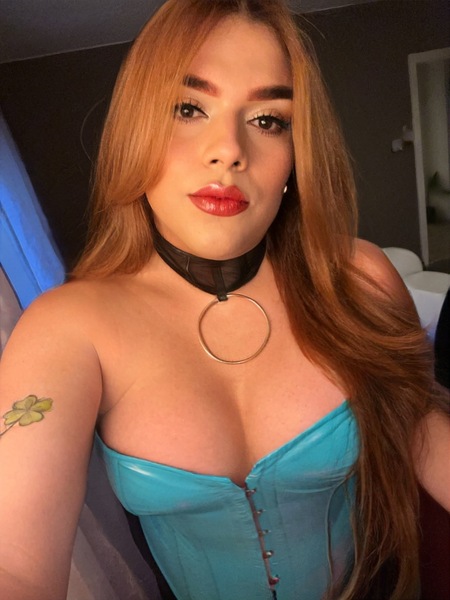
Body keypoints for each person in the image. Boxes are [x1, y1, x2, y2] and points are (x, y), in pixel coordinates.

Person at [0, 1, 449, 599]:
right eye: (188, 108)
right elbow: (15, 563)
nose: (229, 150)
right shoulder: (68, 327)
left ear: (296, 154)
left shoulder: (357, 278)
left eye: (268, 120)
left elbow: (421, 429)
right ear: (137, 130)